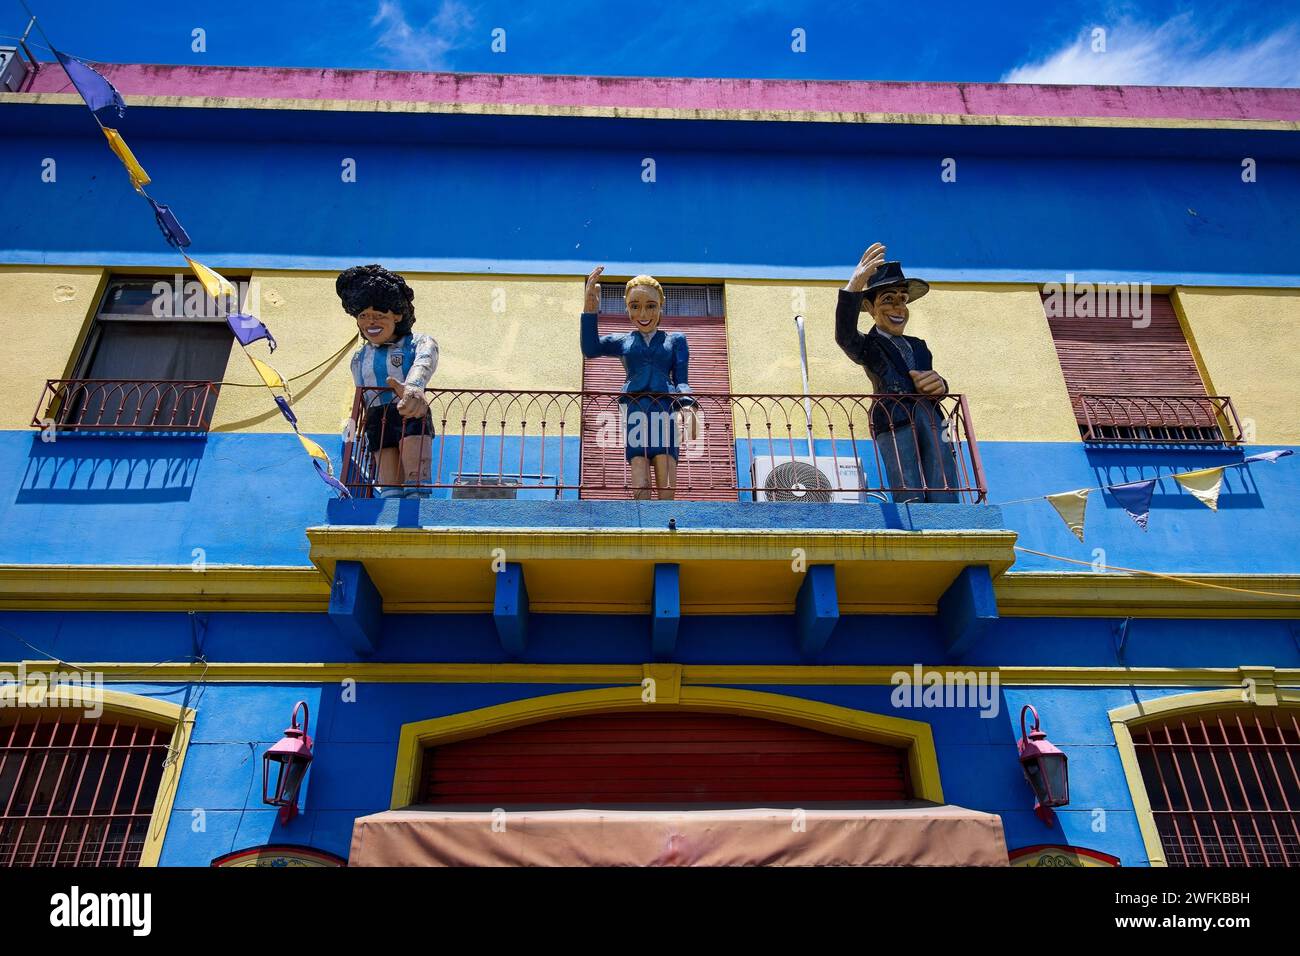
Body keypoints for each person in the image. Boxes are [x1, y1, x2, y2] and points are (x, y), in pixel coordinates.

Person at [834, 242, 959, 503]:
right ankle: (911, 515)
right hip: (893, 418)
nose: (898, 308)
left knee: (943, 471)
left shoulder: (919, 345)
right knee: (906, 481)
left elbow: (931, 377)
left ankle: (948, 513)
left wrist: (941, 385)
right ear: (870, 308)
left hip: (933, 417)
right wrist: (855, 284)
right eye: (888, 300)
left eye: (902, 300)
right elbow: (844, 335)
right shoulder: (868, 345)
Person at [580, 267, 693, 500]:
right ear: (627, 308)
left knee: (666, 478)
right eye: (635, 306)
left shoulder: (676, 340)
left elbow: (681, 381)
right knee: (639, 474)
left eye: (650, 305)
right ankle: (644, 531)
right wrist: (590, 308)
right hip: (635, 410)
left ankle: (666, 531)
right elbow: (590, 349)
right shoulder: (624, 340)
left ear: (661, 305)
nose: (643, 313)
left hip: (665, 409)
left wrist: (689, 408)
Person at [337, 264, 439, 498]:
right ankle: (390, 500)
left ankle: (417, 498)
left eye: (379, 315)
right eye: (363, 316)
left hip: (409, 412)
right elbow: (359, 392)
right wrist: (357, 425)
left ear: (397, 316)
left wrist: (413, 389)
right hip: (375, 416)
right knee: (389, 486)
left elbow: (424, 363)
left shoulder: (419, 342)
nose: (370, 322)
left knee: (416, 482)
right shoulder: (359, 357)